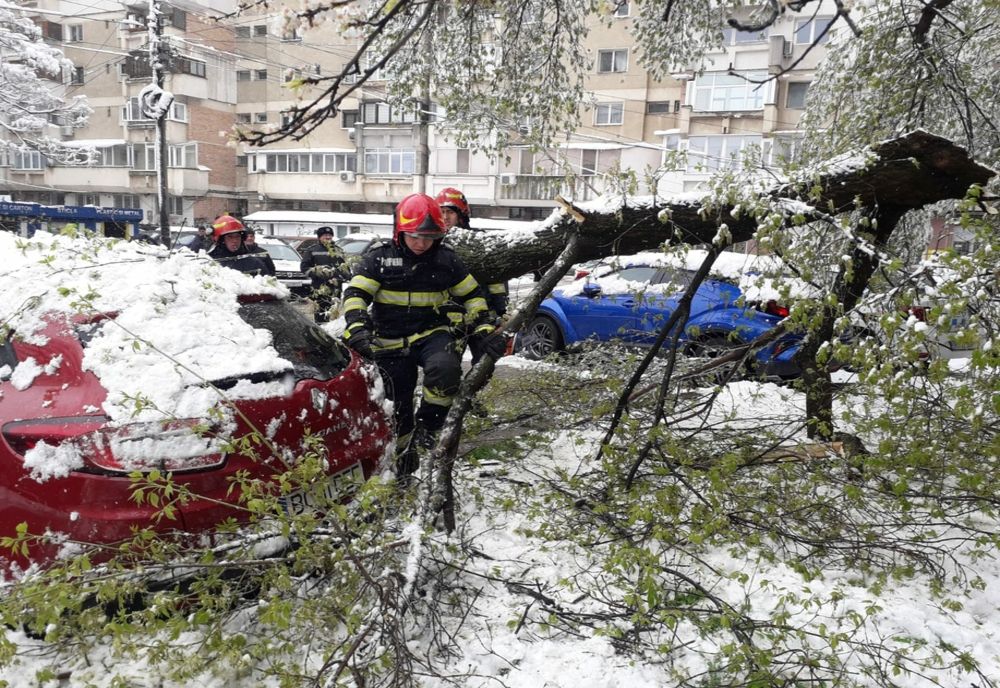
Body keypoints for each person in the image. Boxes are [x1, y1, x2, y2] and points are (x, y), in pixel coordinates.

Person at [342, 193, 506, 478]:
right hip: (389, 342)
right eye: (415, 236)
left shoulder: (447, 260)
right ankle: (404, 463)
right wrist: (357, 327)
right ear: (400, 232)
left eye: (428, 237)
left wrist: (483, 328)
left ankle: (429, 425)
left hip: (433, 334)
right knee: (398, 407)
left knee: (446, 370)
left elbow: (473, 296)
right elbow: (356, 295)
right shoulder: (378, 259)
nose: (421, 244)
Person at [436, 187, 510, 364]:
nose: (445, 217)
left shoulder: (478, 241)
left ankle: (472, 392)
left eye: (450, 212)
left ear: (461, 215)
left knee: (484, 365)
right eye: (442, 212)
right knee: (448, 368)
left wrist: (500, 311)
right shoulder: (433, 242)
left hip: (482, 317)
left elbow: (496, 278)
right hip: (450, 321)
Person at [300, 226, 348, 323]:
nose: (328, 237)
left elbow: (346, 268)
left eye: (330, 235)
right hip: (319, 288)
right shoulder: (312, 250)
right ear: (319, 237)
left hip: (335, 288)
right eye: (325, 235)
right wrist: (319, 273)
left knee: (334, 314)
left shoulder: (339, 250)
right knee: (320, 313)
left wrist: (342, 277)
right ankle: (321, 331)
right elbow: (304, 268)